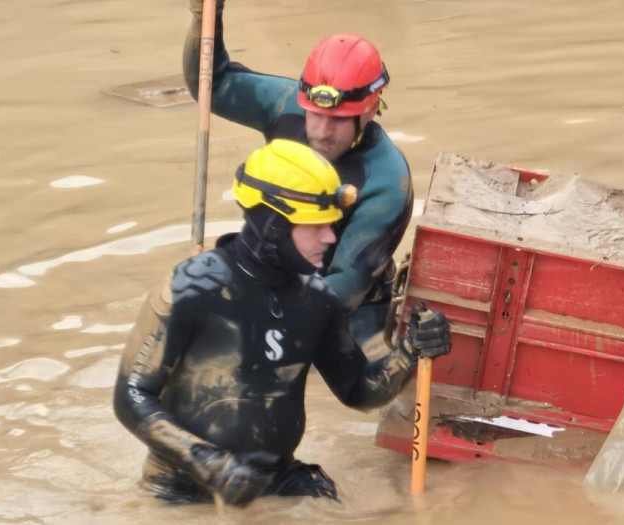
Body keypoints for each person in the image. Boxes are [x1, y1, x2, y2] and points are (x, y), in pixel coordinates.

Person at [112, 140, 450, 506]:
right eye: (316, 227)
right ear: (272, 225)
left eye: (331, 225)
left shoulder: (315, 299)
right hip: (182, 491)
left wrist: (410, 351)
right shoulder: (192, 287)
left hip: (278, 480)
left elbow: (358, 391)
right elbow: (132, 395)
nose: (331, 238)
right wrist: (208, 463)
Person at [183, 1, 414, 351]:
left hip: (351, 315)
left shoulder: (386, 182)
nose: (320, 132)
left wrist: (247, 320)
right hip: (271, 278)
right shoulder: (286, 105)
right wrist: (204, 17)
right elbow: (212, 84)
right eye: (314, 115)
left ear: (370, 107)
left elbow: (343, 291)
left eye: (337, 120)